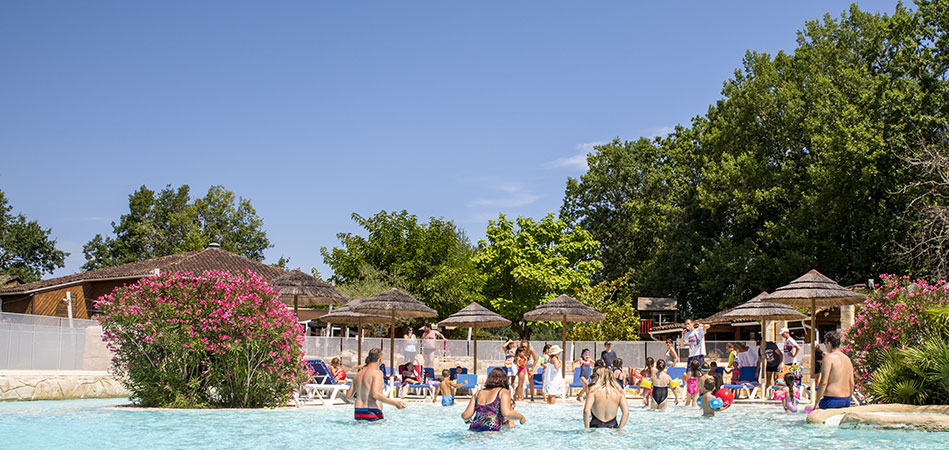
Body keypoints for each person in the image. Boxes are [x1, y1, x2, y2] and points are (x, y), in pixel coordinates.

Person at [351, 348, 406, 421]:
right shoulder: (377, 373)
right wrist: (395, 403)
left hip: (358, 412)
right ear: (380, 359)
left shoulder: (358, 374)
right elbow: (376, 394)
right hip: (372, 412)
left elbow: (349, 396)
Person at [815, 330, 854, 410]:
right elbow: (852, 383)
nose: (825, 346)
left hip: (831, 400)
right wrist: (848, 398)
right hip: (846, 400)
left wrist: (817, 402)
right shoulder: (847, 359)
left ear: (829, 343)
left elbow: (823, 382)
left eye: (825, 343)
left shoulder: (828, 358)